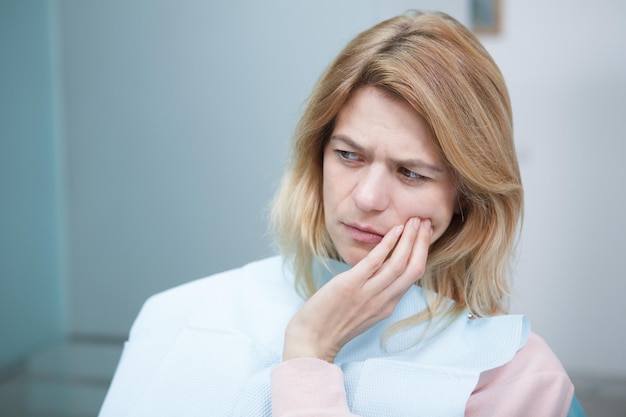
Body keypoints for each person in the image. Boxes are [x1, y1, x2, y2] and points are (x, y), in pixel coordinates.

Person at [99, 11, 575, 417]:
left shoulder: (515, 376)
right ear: (317, 153)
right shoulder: (182, 315)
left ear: (467, 196)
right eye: (348, 155)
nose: (367, 197)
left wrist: (310, 353)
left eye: (410, 173)